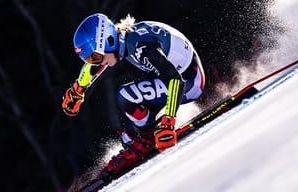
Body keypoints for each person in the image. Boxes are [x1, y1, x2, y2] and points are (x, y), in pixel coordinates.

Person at [62, 13, 206, 172]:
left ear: (108, 41)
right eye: (89, 59)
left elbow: (175, 79)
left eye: (95, 57)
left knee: (127, 96)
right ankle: (142, 138)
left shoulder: (140, 47)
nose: (96, 62)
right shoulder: (123, 40)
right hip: (179, 76)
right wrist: (78, 89)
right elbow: (95, 66)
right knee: (128, 136)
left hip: (189, 82)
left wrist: (168, 122)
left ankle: (147, 140)